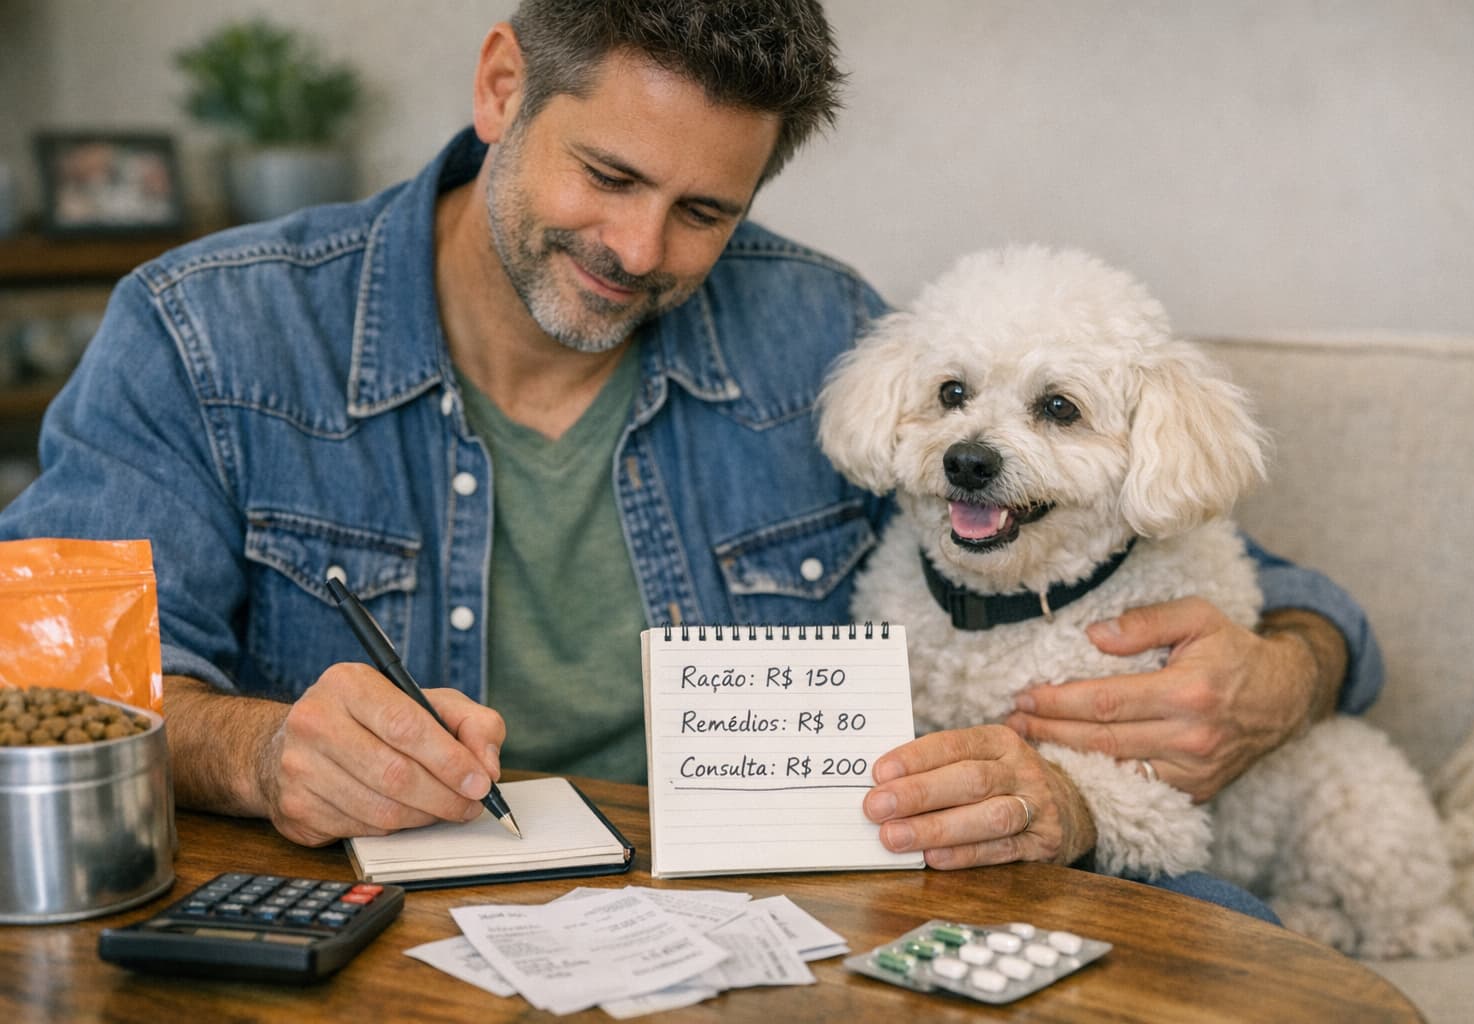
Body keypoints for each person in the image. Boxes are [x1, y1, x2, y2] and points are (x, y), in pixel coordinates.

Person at [0, 1, 1380, 918]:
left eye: (705, 208)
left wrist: (1288, 670)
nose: (643, 253)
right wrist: (259, 752)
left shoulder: (819, 326)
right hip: (381, 928)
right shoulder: (206, 329)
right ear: (501, 88)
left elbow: (1215, 568)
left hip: (773, 918)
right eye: (606, 176)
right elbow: (49, 690)